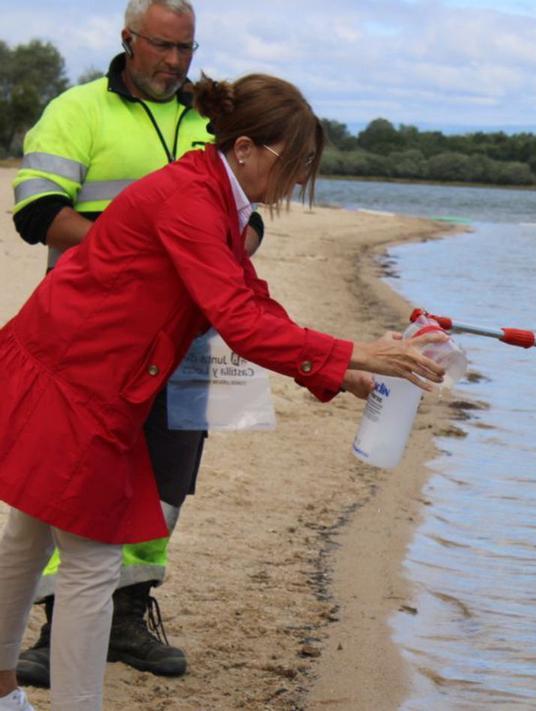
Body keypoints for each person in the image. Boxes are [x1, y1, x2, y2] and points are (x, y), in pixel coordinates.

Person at [0, 72, 446, 710]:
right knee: (93, 562)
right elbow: (239, 319)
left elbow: (247, 300)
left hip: (76, 370)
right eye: (294, 163)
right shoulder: (189, 200)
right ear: (244, 149)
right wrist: (359, 351)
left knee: (31, 535)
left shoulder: (210, 195)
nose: (298, 179)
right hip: (74, 379)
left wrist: (342, 371)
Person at [9, 0, 264, 684]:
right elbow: (37, 212)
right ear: (128, 40)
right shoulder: (77, 109)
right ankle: (54, 629)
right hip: (96, 342)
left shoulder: (211, 122)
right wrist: (143, 260)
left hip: (189, 341)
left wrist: (232, 250)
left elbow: (249, 215)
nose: (175, 63)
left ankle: (126, 613)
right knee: (75, 487)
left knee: (169, 484)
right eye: (163, 47)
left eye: (186, 49)